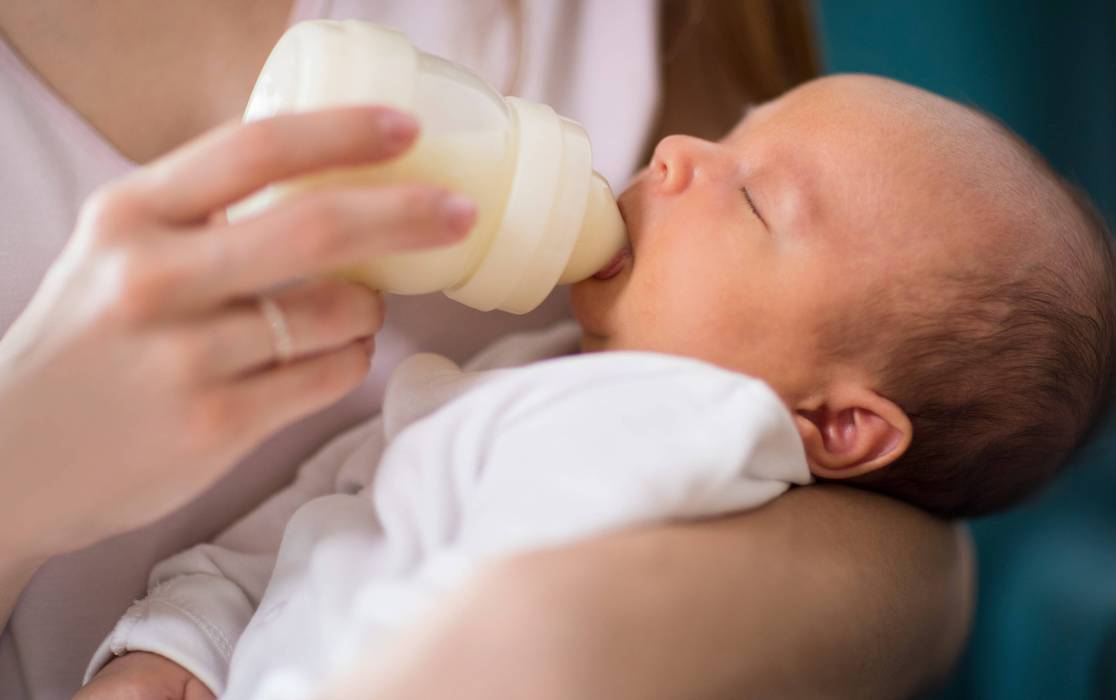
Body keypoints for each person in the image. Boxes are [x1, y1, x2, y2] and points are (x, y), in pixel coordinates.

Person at [0, 2, 973, 698]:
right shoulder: (479, 392)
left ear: (840, 424)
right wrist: (179, 647)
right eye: (733, 140)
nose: (679, 150)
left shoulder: (723, 439)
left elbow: (901, 548)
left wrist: (536, 644)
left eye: (754, 197)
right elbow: (303, 532)